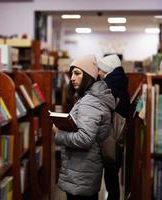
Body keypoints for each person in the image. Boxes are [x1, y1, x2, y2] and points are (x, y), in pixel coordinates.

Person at [53, 54, 117, 200]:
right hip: (81, 172)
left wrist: (59, 133)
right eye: (71, 74)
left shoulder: (90, 102)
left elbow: (84, 139)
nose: (72, 78)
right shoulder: (89, 98)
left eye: (77, 73)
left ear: (88, 76)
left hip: (81, 173)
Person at [96, 54, 130, 200]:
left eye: (100, 69)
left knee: (110, 178)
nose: (98, 73)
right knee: (113, 176)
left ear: (107, 70)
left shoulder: (107, 87)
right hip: (118, 137)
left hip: (109, 136)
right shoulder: (122, 84)